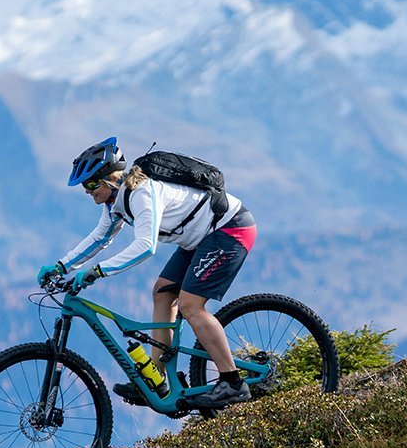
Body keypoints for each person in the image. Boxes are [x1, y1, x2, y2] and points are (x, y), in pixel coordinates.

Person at [37, 137, 259, 410]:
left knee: (191, 306)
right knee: (162, 293)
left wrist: (98, 271)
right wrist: (61, 266)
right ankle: (157, 378)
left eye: (91, 184)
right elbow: (99, 239)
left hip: (229, 230)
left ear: (109, 180)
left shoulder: (140, 192)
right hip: (199, 238)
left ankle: (233, 382)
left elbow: (145, 246)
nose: (87, 192)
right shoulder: (115, 203)